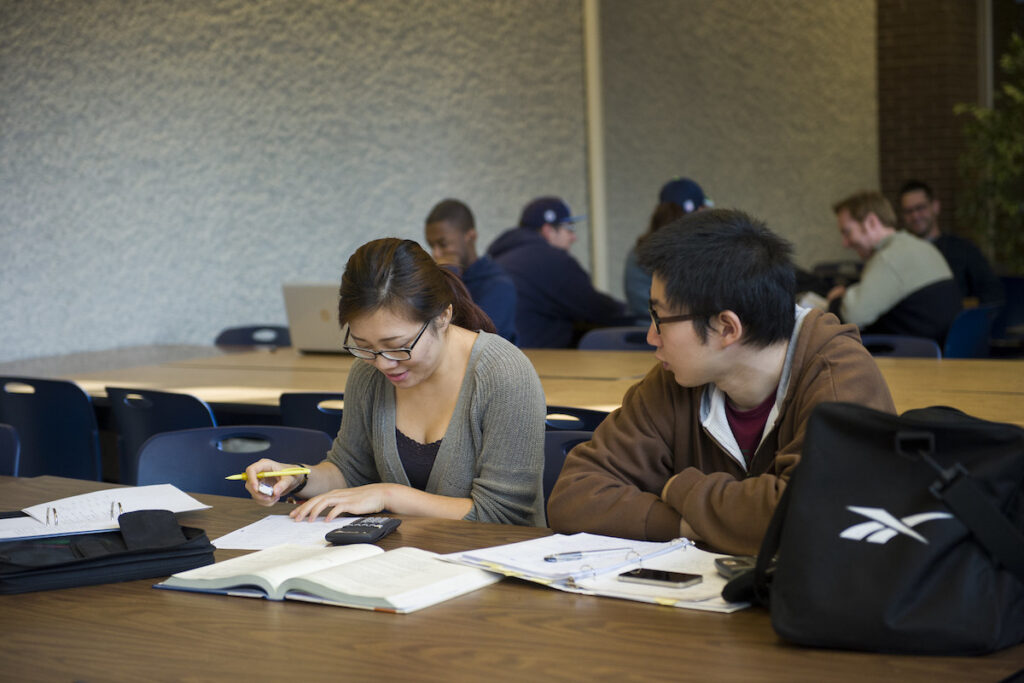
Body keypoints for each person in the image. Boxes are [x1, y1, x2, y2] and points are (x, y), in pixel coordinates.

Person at [547, 209, 895, 555]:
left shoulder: (839, 376)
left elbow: (815, 520)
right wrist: (689, 526)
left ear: (727, 328)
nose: (652, 336)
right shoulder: (675, 380)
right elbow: (573, 496)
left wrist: (680, 487)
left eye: (660, 317)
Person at [245, 238, 547, 526]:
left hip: (493, 563)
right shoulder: (369, 374)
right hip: (403, 560)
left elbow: (502, 515)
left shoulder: (503, 374)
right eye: (364, 345)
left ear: (443, 316)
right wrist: (299, 477)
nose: (383, 363)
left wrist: (387, 495)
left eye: (397, 345)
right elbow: (349, 470)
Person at [487, 196, 626, 348]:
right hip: (538, 361)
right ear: (548, 231)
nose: (574, 237)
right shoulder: (551, 259)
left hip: (503, 357)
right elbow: (600, 309)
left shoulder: (500, 256)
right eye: (569, 228)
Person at [827, 191, 961, 344]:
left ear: (871, 222)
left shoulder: (887, 258)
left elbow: (852, 316)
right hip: (943, 350)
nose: (845, 243)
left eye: (847, 232)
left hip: (916, 359)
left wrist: (836, 300)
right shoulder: (919, 246)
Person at [424, 198, 519, 344]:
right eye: (431, 245)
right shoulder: (434, 278)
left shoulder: (498, 285)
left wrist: (450, 277)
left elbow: (475, 343)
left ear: (470, 236)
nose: (436, 253)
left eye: (443, 244)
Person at [898, 179, 1004, 304]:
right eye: (908, 211)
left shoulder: (963, 249)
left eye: (920, 208)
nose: (915, 216)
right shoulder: (899, 254)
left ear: (935, 207)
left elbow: (992, 293)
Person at [624, 178, 709, 319]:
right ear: (698, 211)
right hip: (673, 329)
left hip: (639, 331)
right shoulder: (691, 252)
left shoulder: (639, 250)